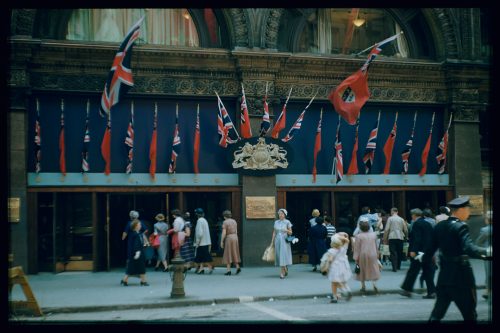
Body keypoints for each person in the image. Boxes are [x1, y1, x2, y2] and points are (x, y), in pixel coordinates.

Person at [424, 196, 491, 323]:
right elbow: (470, 248)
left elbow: (429, 251)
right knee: (470, 314)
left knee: (437, 314)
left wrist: (425, 265)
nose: (469, 213)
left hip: (444, 277)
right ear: (460, 210)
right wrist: (488, 252)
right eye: (467, 209)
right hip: (462, 279)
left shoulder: (440, 226)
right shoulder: (461, 226)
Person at [400, 208, 436, 299]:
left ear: (414, 215)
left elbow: (417, 238)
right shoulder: (428, 224)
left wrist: (413, 250)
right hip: (427, 252)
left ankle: (407, 290)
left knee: (413, 271)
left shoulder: (417, 224)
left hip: (419, 253)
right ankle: (431, 292)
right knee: (428, 272)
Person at [353, 218, 381, 294]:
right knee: (374, 268)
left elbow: (357, 248)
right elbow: (376, 245)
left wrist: (356, 258)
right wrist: (377, 254)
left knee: (362, 269)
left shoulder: (358, 236)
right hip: (373, 253)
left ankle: (363, 286)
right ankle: (374, 284)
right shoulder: (373, 235)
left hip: (363, 254)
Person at [324, 232, 352, 303]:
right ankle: (348, 290)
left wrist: (326, 267)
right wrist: (343, 236)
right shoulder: (344, 248)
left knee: (334, 283)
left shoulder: (332, 250)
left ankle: (335, 297)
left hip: (335, 267)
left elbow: (330, 260)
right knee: (343, 281)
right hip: (343, 267)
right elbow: (347, 240)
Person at [120, 219, 149, 286]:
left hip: (136, 252)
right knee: (141, 267)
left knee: (132, 267)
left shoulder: (136, 233)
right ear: (136, 226)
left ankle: (125, 280)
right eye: (139, 224)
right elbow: (136, 244)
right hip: (138, 253)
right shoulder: (136, 234)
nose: (140, 225)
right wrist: (137, 252)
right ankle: (143, 281)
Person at [383, 207, 408, 272]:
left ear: (392, 211)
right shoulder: (401, 219)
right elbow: (405, 229)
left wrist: (385, 238)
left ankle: (394, 267)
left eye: (391, 211)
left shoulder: (390, 219)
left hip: (392, 236)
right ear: (397, 212)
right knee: (399, 251)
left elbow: (387, 229)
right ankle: (398, 266)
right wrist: (406, 237)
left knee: (393, 252)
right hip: (400, 236)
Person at [271, 208, 293, 279]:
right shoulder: (276, 222)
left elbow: (291, 232)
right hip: (277, 240)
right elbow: (274, 232)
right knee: (279, 255)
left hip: (284, 240)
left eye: (282, 214)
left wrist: (286, 230)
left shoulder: (287, 222)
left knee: (283, 255)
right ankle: (285, 268)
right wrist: (272, 241)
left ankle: (282, 272)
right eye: (279, 214)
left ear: (285, 215)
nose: (280, 215)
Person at [476, 210, 492, 300]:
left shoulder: (485, 230)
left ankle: (488, 290)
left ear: (487, 220)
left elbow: (478, 242)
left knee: (489, 272)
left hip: (489, 253)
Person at [220, 210, 241, 276]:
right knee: (235, 252)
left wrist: (221, 241)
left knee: (228, 253)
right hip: (235, 236)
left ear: (224, 216)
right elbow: (236, 230)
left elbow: (224, 232)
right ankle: (237, 267)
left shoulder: (225, 222)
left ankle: (228, 270)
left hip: (229, 237)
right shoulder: (234, 221)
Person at [194, 208, 214, 274]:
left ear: (197, 214)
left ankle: (210, 267)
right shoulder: (204, 220)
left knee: (204, 256)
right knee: (201, 256)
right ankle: (201, 268)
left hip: (201, 242)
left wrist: (197, 242)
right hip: (206, 241)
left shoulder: (199, 221)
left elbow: (199, 233)